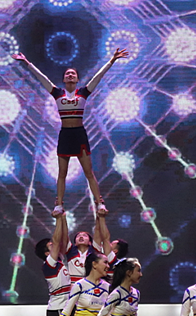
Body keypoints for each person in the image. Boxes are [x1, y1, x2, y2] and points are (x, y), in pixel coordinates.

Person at [13, 48, 129, 216]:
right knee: (62, 173)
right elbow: (41, 78)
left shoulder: (83, 93)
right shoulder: (57, 93)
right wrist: (26, 62)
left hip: (79, 135)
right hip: (65, 135)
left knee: (89, 172)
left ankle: (100, 203)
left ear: (77, 79)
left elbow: (98, 77)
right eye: (67, 74)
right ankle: (59, 205)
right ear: (63, 79)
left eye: (73, 74)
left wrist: (112, 61)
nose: (70, 75)